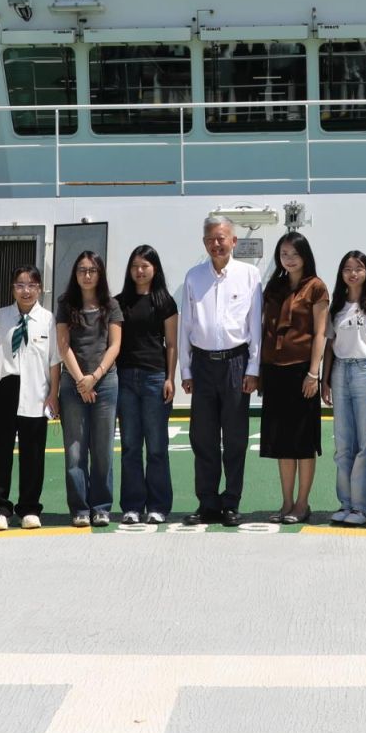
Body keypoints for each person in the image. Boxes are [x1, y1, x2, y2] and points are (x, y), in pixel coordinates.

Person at [178, 215, 264, 526]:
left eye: (222, 238)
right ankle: (207, 503)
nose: (217, 244)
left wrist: (253, 368)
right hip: (202, 364)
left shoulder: (250, 275)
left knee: (236, 437)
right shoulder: (193, 277)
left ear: (234, 241)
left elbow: (255, 324)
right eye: (211, 239)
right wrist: (185, 370)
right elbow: (186, 324)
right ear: (204, 243)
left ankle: (231, 502)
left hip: (236, 364)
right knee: (203, 437)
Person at [258, 232, 328, 523]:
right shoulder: (274, 286)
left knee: (302, 442)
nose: (289, 259)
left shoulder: (316, 287)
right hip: (275, 370)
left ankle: (302, 503)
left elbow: (320, 332)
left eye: (294, 254)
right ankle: (286, 502)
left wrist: (314, 373)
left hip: (302, 371)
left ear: (305, 256)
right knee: (282, 442)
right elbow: (264, 327)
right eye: (284, 253)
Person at [56, 250, 124, 527]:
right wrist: (80, 380)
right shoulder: (65, 304)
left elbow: (115, 345)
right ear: (75, 274)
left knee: (103, 448)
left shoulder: (111, 305)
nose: (87, 275)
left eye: (92, 270)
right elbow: (63, 346)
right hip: (73, 384)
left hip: (105, 382)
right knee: (75, 449)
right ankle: (80, 508)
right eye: (82, 270)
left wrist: (94, 377)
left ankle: (101, 507)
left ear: (100, 274)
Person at [323, 250, 366, 527]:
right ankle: (346, 503)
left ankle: (362, 507)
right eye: (348, 269)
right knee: (343, 442)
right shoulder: (337, 306)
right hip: (340, 371)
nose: (353, 274)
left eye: (358, 269)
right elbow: (329, 346)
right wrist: (325, 380)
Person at [0, 265, 57, 530]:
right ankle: (0, 508)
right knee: (0, 451)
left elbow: (54, 360)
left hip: (37, 390)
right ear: (12, 288)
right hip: (5, 387)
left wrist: (53, 393)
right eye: (20, 285)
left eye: (31, 285)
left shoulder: (48, 319)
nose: (25, 291)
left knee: (33, 453)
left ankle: (29, 507)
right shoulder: (0, 316)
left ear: (40, 288)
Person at [114, 246, 178, 524]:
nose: (139, 271)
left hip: (155, 378)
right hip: (125, 379)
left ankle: (158, 506)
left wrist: (170, 377)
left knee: (156, 446)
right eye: (135, 266)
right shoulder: (119, 302)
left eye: (145, 266)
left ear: (155, 269)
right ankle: (132, 506)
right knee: (130, 446)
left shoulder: (165, 301)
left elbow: (171, 344)